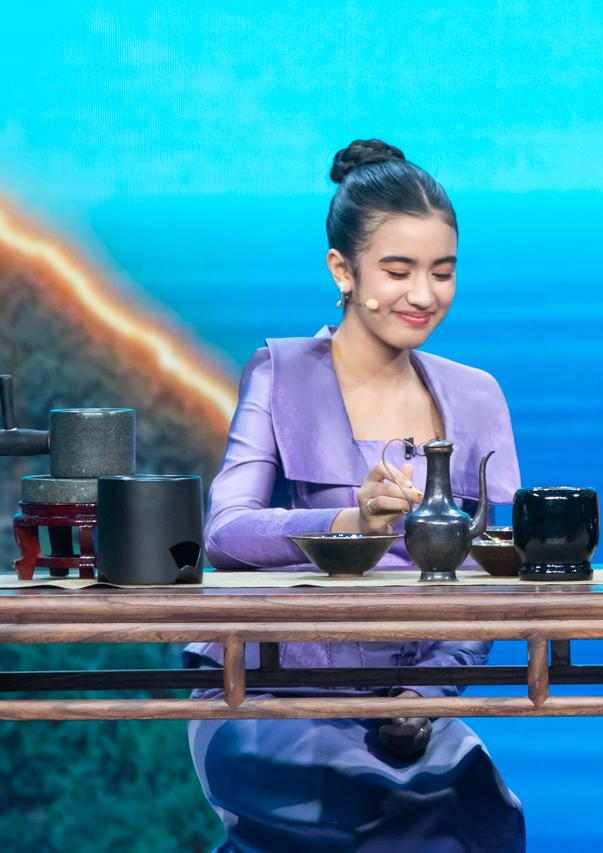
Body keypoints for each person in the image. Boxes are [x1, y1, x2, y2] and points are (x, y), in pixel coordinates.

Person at [183, 139, 525, 852]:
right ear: (342, 270)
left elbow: (497, 573)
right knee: (376, 807)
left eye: (442, 272)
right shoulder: (280, 373)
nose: (423, 295)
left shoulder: (476, 397)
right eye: (398, 271)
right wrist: (349, 521)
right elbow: (226, 531)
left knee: (475, 807)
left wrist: (425, 696)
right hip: (269, 689)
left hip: (410, 699)